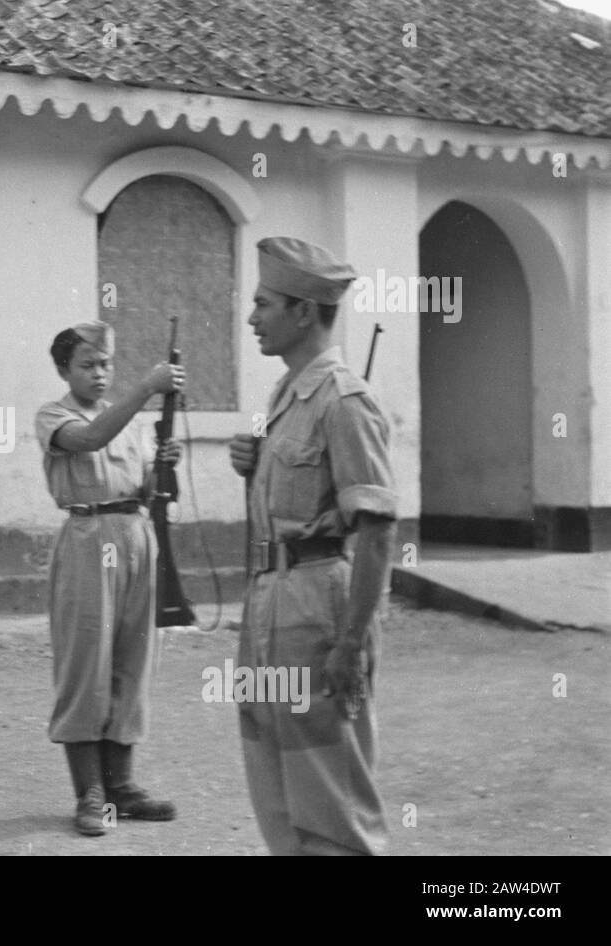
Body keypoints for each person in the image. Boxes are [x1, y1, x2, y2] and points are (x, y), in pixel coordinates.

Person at [229, 237, 398, 855]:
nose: (252, 318)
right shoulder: (284, 394)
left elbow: (377, 531)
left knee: (332, 794)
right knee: (274, 778)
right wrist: (250, 462)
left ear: (304, 312)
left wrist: (351, 643)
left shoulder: (345, 402)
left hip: (316, 605)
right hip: (269, 597)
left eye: (263, 304)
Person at [34, 321, 185, 837]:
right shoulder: (55, 415)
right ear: (63, 370)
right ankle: (90, 793)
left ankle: (121, 785)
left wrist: (164, 466)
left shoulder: (136, 426)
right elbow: (91, 437)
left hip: (137, 536)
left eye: (105, 365)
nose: (99, 374)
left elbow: (145, 491)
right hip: (86, 538)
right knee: (86, 664)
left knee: (133, 662)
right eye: (87, 365)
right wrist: (147, 387)